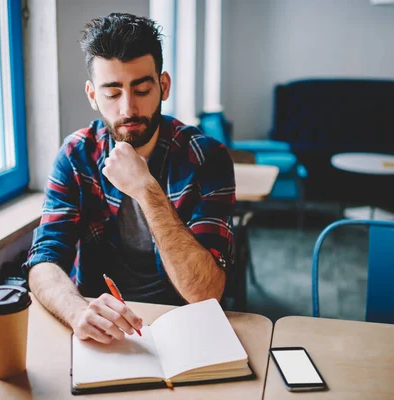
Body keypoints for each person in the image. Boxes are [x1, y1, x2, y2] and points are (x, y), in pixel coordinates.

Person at [22, 13, 235, 344]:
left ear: (162, 86)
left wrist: (147, 189)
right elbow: (44, 259)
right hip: (103, 321)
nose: (128, 109)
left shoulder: (206, 156)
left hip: (182, 324)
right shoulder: (76, 155)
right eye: (112, 93)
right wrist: (78, 312)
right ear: (92, 95)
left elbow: (205, 293)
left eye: (142, 89)